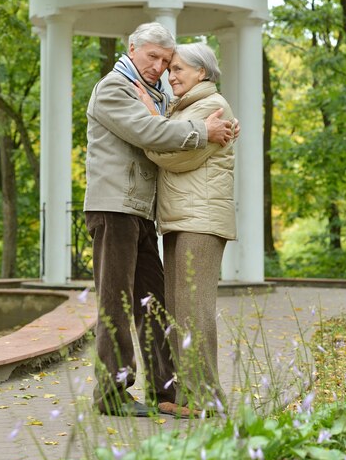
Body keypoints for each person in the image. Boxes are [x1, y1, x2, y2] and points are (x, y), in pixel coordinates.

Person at [84, 23, 236, 418]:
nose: (160, 67)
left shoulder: (156, 93)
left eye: (167, 61)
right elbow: (148, 130)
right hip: (113, 208)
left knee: (154, 305)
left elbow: (169, 120)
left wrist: (212, 127)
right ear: (132, 48)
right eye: (153, 56)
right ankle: (111, 394)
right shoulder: (115, 87)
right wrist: (203, 130)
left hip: (141, 212)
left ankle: (164, 391)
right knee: (115, 304)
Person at [136, 42, 237, 416]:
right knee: (179, 310)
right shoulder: (187, 108)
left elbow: (171, 157)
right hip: (181, 219)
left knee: (195, 310)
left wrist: (151, 124)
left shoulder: (213, 107)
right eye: (169, 68)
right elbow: (171, 141)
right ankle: (189, 396)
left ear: (203, 73)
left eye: (178, 68)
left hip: (202, 220)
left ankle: (209, 399)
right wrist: (160, 123)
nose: (170, 74)